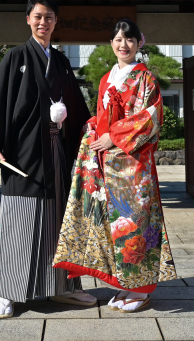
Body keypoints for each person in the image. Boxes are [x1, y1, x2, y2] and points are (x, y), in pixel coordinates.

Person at [0, 0, 96, 319]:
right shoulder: (16, 57)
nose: (43, 22)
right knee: (20, 221)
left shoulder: (61, 62)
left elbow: (76, 107)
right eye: (38, 16)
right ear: (28, 19)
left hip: (56, 152)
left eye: (49, 17)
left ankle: (64, 287)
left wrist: (90, 132)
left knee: (60, 222)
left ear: (56, 21)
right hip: (23, 153)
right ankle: (8, 292)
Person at [53, 19, 177, 313]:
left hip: (134, 165)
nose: (124, 45)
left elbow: (150, 118)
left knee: (135, 222)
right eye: (119, 40)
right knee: (114, 226)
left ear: (140, 43)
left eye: (130, 40)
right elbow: (102, 115)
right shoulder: (107, 78)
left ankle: (141, 290)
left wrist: (113, 136)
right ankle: (125, 284)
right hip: (108, 163)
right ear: (111, 43)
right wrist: (93, 127)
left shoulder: (145, 78)